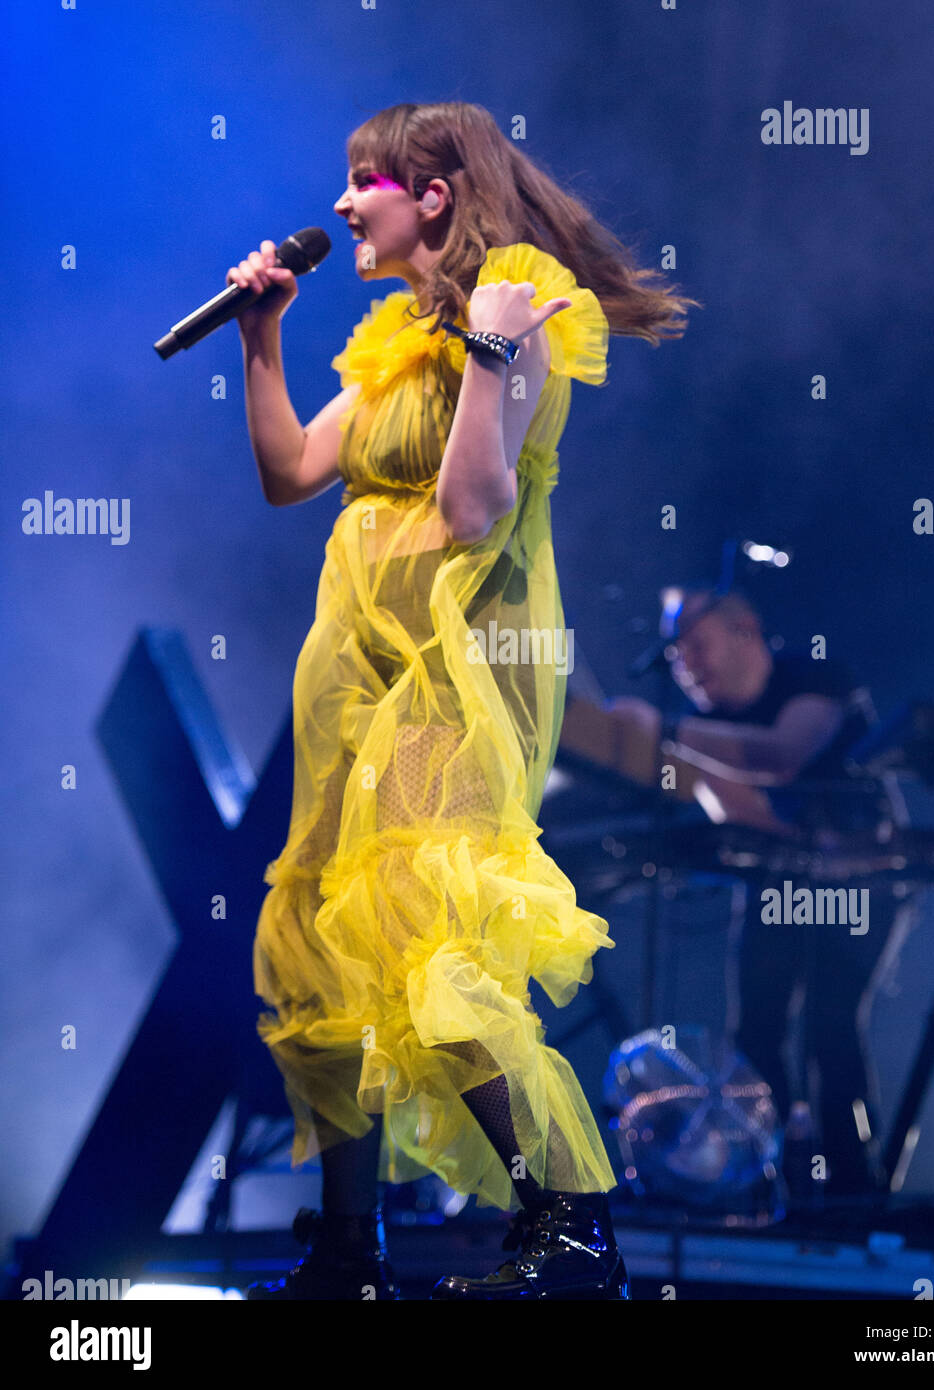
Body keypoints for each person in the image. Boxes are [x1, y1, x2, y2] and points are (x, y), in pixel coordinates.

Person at [229, 101, 697, 1299]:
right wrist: (262, 339)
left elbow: (477, 506)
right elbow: (292, 474)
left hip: (458, 672)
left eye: (362, 182)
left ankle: (569, 1221)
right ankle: (347, 1248)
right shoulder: (395, 338)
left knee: (421, 923)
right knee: (318, 950)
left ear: (432, 192)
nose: (341, 207)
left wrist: (490, 351)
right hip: (356, 673)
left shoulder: (520, 306)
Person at [609, 589, 906, 1201]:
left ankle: (855, 1188)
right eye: (675, 654)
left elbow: (782, 758)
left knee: (833, 1025)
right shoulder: (711, 724)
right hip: (779, 882)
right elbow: (743, 806)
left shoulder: (814, 678)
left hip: (860, 878)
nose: (685, 664)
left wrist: (663, 730)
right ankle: (775, 1180)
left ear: (745, 629)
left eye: (693, 642)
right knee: (759, 1031)